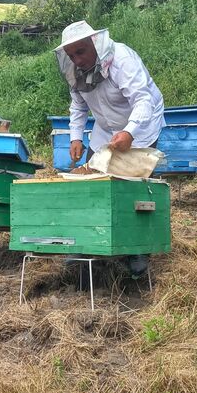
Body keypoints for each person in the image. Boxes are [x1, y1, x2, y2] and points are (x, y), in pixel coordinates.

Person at [54, 20, 165, 277]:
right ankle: (87, 245)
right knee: (92, 184)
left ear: (94, 43)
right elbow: (78, 107)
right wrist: (75, 138)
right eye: (71, 55)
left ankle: (137, 249)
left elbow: (143, 100)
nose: (77, 59)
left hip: (141, 127)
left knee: (135, 190)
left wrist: (129, 131)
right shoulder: (76, 71)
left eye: (80, 52)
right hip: (105, 131)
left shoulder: (122, 59)